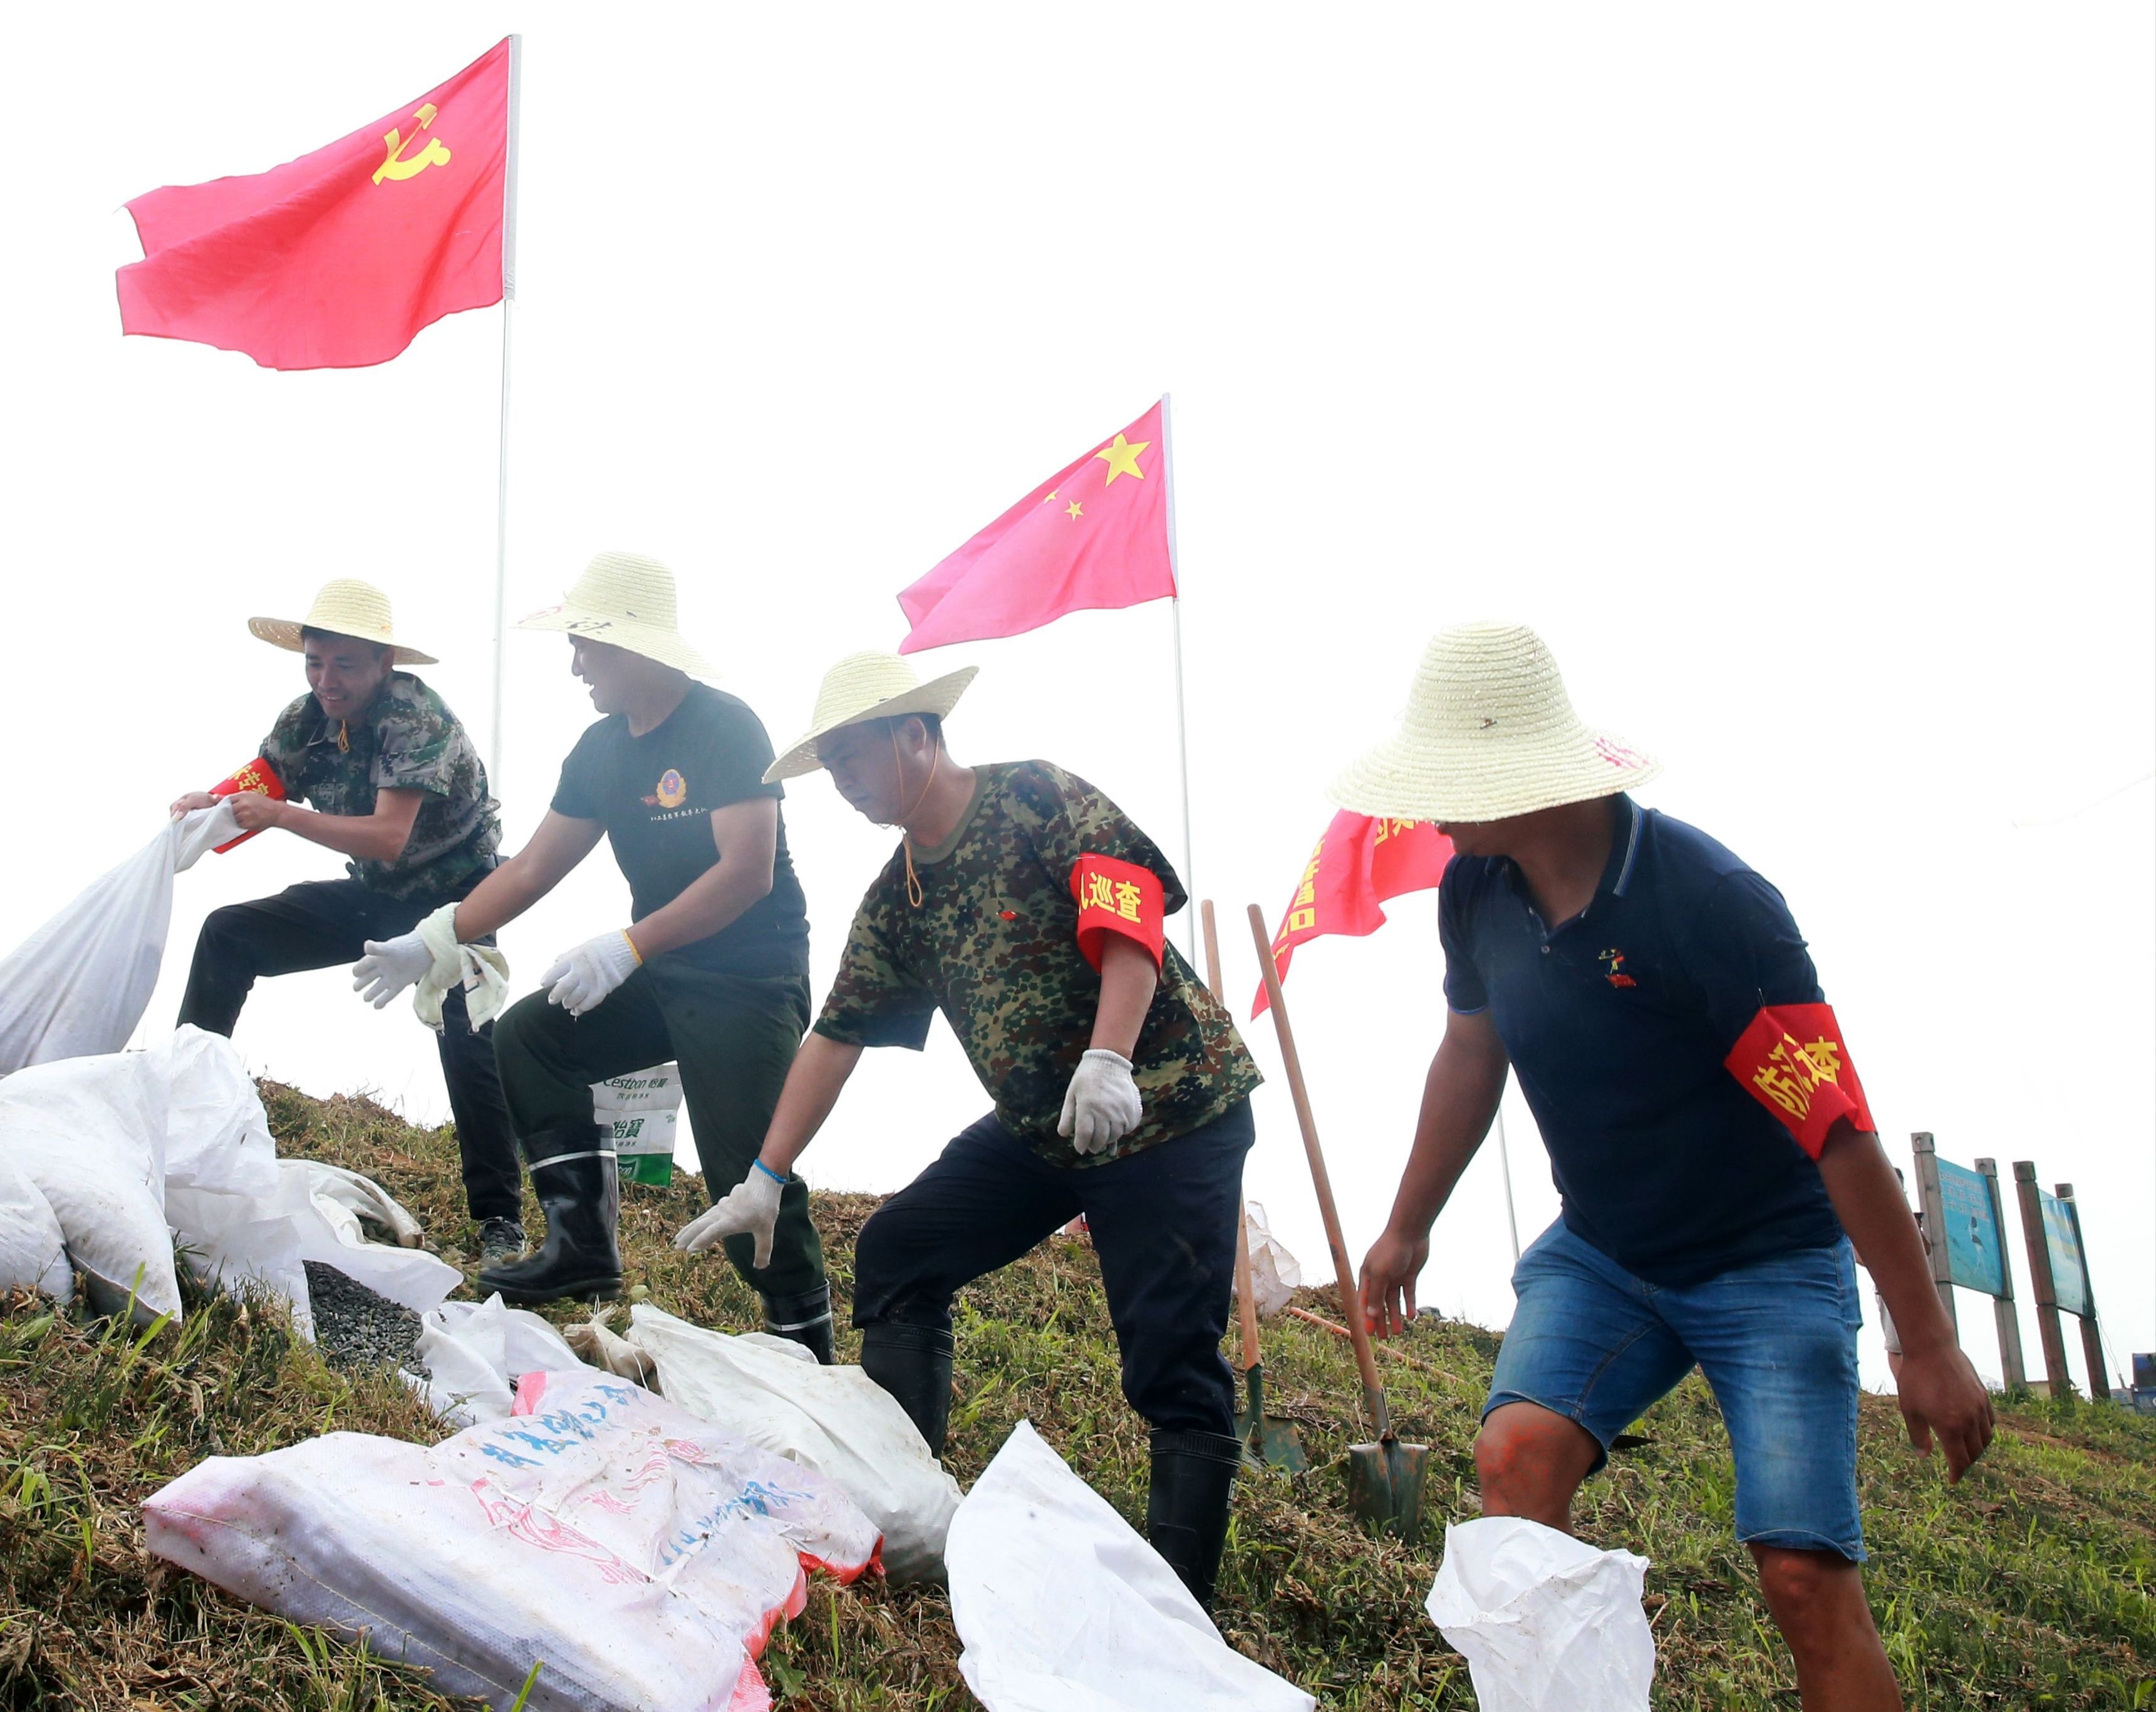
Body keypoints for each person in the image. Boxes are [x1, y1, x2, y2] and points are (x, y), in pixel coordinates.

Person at [1344, 622, 1994, 1712]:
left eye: (1448, 780)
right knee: (1514, 1455)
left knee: (1801, 1574)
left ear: (1523, 776)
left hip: (1768, 1262)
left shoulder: (1708, 905)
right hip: (1604, 1251)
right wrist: (1408, 1223)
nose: (1427, 806)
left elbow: (1834, 1127)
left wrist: (1925, 1340)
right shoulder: (1477, 891)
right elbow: (1471, 1046)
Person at [673, 652, 1265, 1611]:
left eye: (856, 754)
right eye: (832, 765)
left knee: (1169, 1359)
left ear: (917, 732)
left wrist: (1109, 1057)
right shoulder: (900, 889)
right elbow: (836, 1032)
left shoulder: (1035, 797)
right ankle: (910, 1501)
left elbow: (1129, 912)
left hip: (1166, 1112)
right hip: (1043, 1131)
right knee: (903, 1248)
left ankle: (1180, 1606)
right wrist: (763, 1175)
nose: (846, 780)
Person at [351, 552, 836, 1359]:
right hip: (659, 969)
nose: (575, 666)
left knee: (744, 1174)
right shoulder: (599, 751)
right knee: (529, 1035)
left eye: (589, 646)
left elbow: (747, 873)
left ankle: (809, 1344)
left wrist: (629, 944)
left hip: (747, 982)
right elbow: (534, 867)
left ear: (641, 648)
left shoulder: (724, 726)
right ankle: (581, 1246)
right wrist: (437, 936)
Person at [170, 579, 522, 1263]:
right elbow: (267, 776)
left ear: (385, 664)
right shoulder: (307, 716)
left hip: (456, 901)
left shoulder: (417, 720)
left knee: (466, 1030)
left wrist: (282, 817)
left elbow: (388, 835)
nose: (326, 681)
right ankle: (180, 1112)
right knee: (228, 933)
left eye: (345, 666)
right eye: (314, 662)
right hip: (373, 893)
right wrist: (208, 806)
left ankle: (499, 1222)